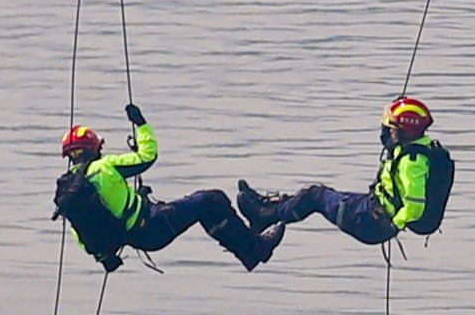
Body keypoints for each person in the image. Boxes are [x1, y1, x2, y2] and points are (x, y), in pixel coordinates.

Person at [56, 106, 270, 272]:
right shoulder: (105, 166)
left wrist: (105, 255)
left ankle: (249, 251)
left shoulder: (72, 191)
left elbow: (84, 232)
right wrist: (141, 125)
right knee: (212, 201)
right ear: (94, 148)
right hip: (153, 225)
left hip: (135, 238)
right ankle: (255, 249)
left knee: (204, 207)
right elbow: (147, 156)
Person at [243, 97, 453, 253]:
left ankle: (265, 216)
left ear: (405, 131)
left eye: (392, 128)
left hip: (370, 223)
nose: (388, 132)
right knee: (320, 195)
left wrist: (394, 225)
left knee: (315, 196)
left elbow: (415, 207)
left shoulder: (411, 163)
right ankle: (270, 209)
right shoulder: (416, 148)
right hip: (371, 207)